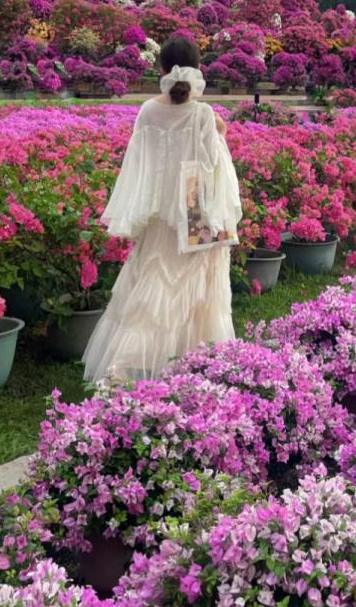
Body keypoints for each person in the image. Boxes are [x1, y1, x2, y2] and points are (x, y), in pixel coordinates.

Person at [82, 36, 242, 384]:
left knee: (153, 287)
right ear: (198, 68)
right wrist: (222, 133)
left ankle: (125, 368)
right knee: (196, 288)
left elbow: (138, 165)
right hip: (194, 206)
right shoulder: (203, 113)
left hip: (158, 209)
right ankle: (194, 364)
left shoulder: (147, 111)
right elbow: (212, 165)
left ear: (161, 68)